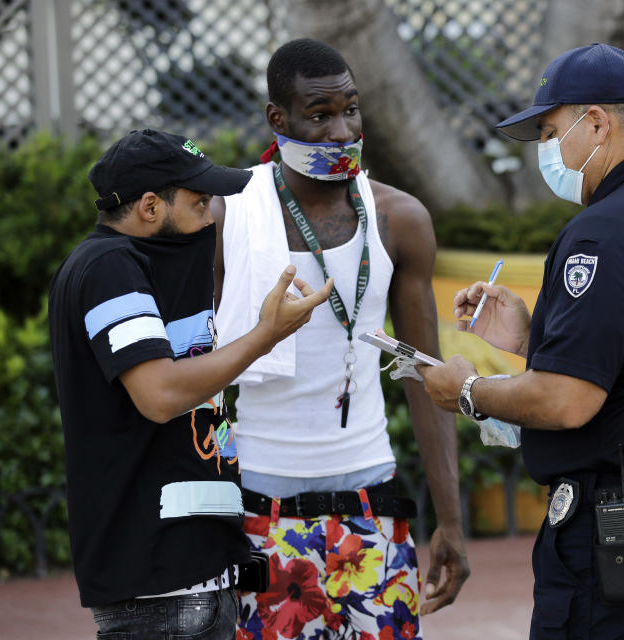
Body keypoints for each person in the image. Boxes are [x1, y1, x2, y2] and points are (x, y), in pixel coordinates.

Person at [417, 43, 624, 639]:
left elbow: (568, 401)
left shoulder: (605, 230)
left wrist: (467, 390)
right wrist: (533, 337)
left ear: (596, 122)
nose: (546, 150)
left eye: (548, 131)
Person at [213, 39, 469, 640]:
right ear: (279, 120)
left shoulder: (399, 219)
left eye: (351, 110)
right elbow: (196, 372)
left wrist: (452, 521)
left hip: (370, 499)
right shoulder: (230, 214)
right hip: (259, 506)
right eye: (320, 114)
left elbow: (423, 374)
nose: (341, 130)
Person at [49, 128, 332, 639]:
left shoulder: (134, 267)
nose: (211, 217)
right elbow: (160, 395)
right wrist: (264, 337)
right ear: (151, 207)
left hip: (185, 585)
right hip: (161, 593)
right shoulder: (110, 268)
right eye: (200, 203)